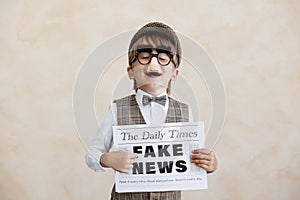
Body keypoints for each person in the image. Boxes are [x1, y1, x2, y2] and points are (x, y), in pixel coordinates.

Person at [86, 22, 218, 200]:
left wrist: (209, 163)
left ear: (175, 73)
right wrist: (106, 159)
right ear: (130, 72)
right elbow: (92, 153)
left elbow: (191, 161)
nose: (154, 63)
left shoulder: (185, 112)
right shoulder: (117, 109)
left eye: (163, 57)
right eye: (145, 56)